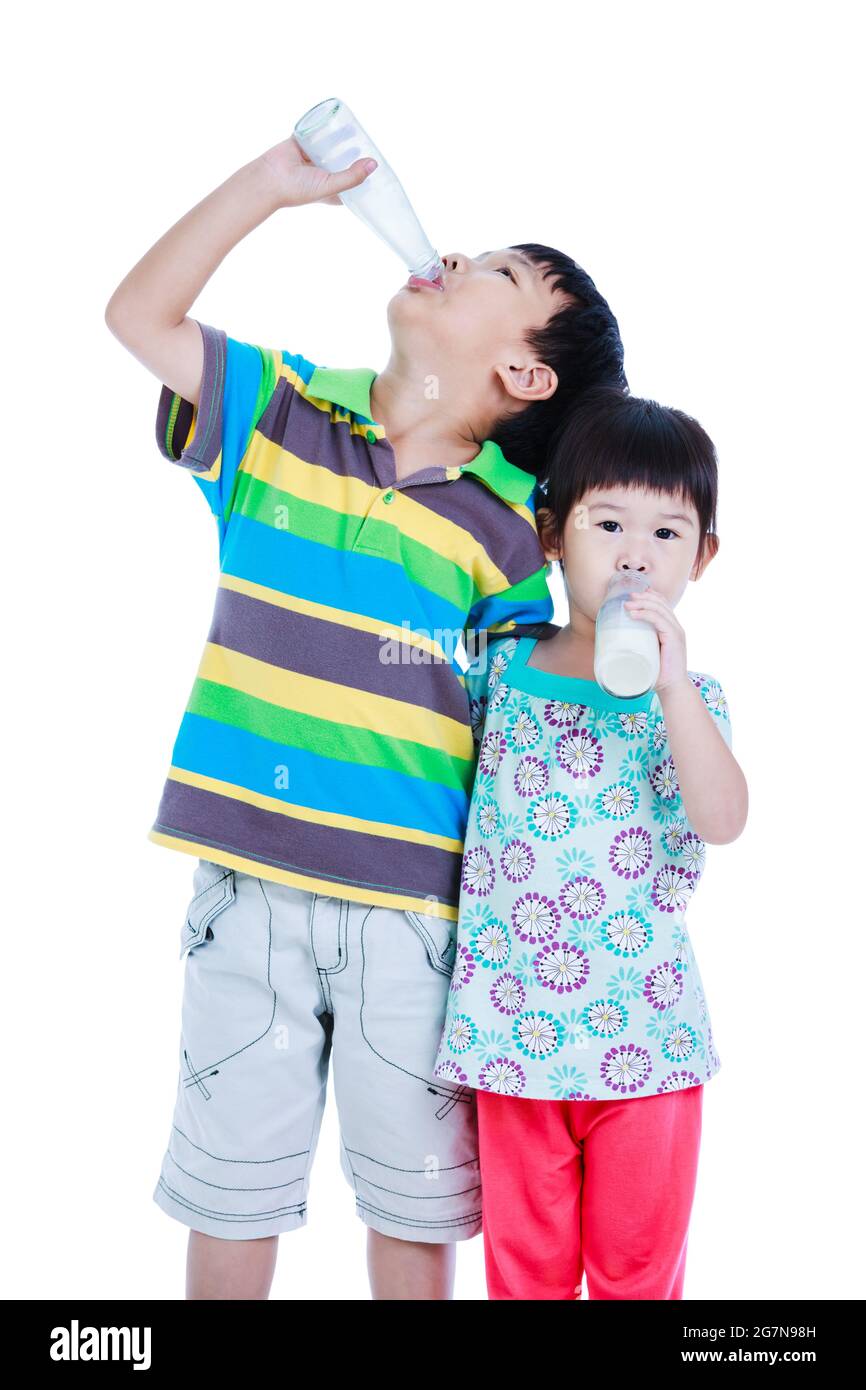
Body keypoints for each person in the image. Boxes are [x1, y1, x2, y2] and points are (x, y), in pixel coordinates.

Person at [103, 134, 627, 1299]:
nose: (451, 254)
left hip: (417, 920)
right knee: (231, 1188)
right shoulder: (278, 415)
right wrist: (271, 187)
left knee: (413, 1204)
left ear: (524, 379)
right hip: (246, 891)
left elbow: (518, 734)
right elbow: (138, 316)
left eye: (494, 272)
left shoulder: (506, 541)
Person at [433, 386, 748, 1299]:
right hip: (511, 1039)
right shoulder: (502, 668)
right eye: (608, 524)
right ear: (552, 537)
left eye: (666, 534)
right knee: (524, 1274)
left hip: (644, 1045)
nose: (635, 558)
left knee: (637, 1273)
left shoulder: (691, 702)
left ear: (704, 556)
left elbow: (723, 819)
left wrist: (676, 688)